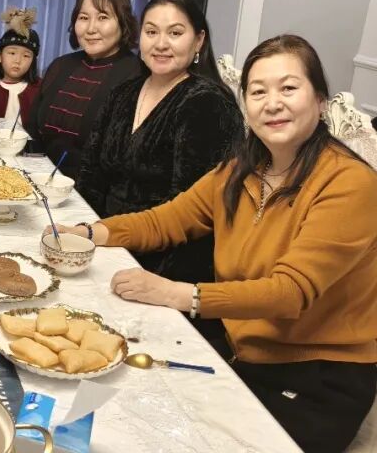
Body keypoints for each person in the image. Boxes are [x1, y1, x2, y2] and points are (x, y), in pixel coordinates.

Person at [54, 35, 377, 453]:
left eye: (288, 88)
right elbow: (168, 220)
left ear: (320, 101)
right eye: (257, 92)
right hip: (243, 349)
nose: (272, 103)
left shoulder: (350, 183)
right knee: (117, 408)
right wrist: (88, 233)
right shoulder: (243, 169)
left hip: (317, 376)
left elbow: (290, 292)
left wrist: (179, 294)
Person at [76, 0, 242, 293]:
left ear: (199, 41)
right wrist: (82, 234)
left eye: (175, 33)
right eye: (151, 32)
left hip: (163, 266)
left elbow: (193, 217)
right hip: (105, 243)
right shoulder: (123, 93)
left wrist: (152, 279)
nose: (161, 43)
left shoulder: (207, 104)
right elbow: (91, 174)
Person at [27, 0, 141, 177]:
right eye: (84, 18)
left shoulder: (136, 74)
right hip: (37, 179)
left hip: (93, 190)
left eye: (103, 17)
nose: (91, 28)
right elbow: (32, 128)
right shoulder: (60, 65)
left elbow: (126, 155)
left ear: (123, 23)